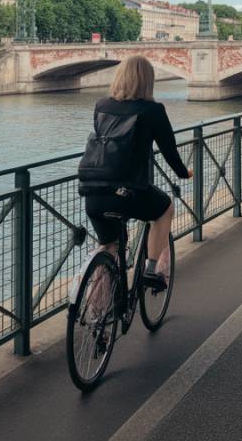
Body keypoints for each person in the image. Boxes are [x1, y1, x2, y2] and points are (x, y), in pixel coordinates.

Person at [81, 55, 192, 289]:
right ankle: (151, 269)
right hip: (128, 192)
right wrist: (184, 173)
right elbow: (170, 152)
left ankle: (97, 301)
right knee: (165, 209)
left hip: (92, 192)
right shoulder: (153, 110)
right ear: (148, 81)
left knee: (110, 245)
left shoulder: (101, 105)